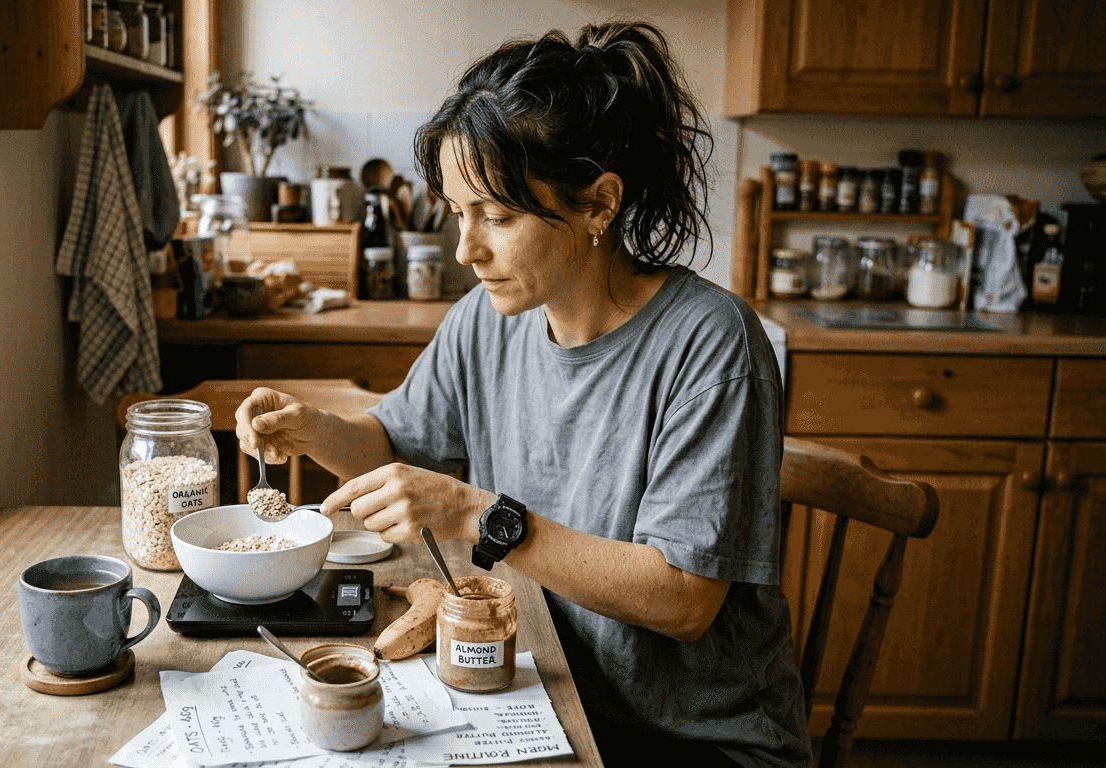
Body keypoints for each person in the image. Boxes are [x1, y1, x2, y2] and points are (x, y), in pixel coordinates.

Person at [235, 20, 809, 768]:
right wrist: (316, 430)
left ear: (600, 205)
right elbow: (397, 444)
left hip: (686, 741)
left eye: (498, 217)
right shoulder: (490, 315)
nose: (468, 250)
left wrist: (479, 515)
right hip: (538, 691)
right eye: (458, 214)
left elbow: (682, 601)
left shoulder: (712, 343)